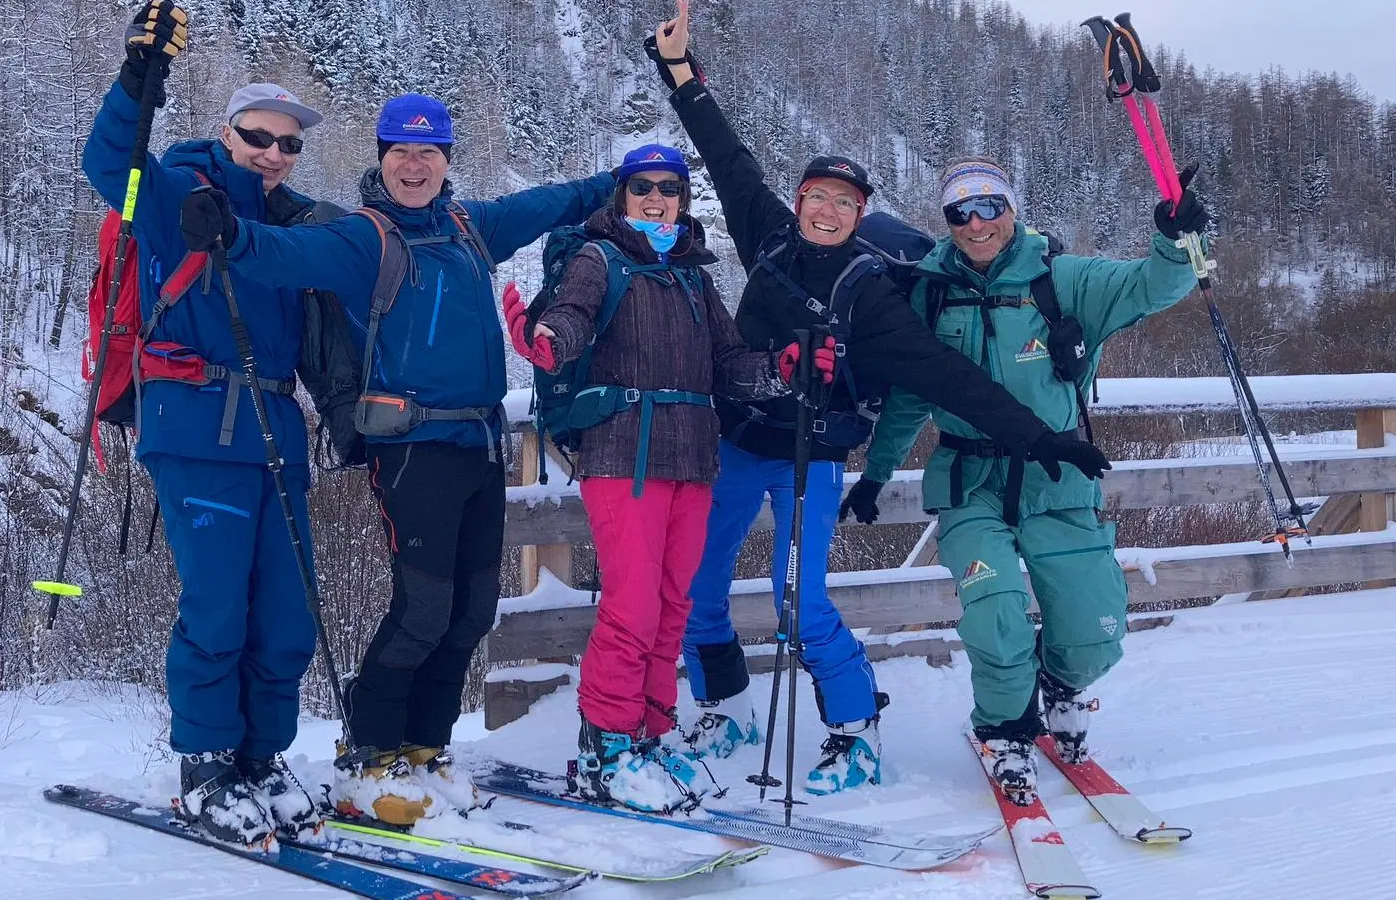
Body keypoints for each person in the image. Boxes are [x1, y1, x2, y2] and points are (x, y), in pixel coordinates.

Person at [646, 0, 1111, 796]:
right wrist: (679, 70)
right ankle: (724, 704)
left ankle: (853, 730)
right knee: (697, 587)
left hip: (814, 456)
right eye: (815, 196)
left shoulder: (872, 295)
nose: (824, 210)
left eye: (842, 202)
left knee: (800, 601)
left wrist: (1045, 439)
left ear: (860, 215)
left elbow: (951, 380)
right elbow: (723, 153)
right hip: (737, 444)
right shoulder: (768, 234)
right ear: (798, 202)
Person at [177, 92, 617, 825]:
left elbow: (548, 203)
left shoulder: (471, 226)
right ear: (381, 159)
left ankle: (422, 748)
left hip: (481, 445)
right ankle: (368, 752)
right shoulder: (364, 236)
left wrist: (613, 182)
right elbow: (289, 255)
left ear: (447, 161)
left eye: (429, 153)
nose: (415, 166)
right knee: (423, 610)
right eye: (401, 153)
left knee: (472, 611)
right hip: (412, 449)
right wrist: (232, 236)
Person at [840, 155, 1207, 805]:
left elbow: (1152, 286)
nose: (977, 223)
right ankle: (1005, 729)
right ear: (948, 221)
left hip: (1056, 478)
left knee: (1095, 626)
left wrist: (1175, 241)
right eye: (961, 211)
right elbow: (908, 394)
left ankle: (1062, 686)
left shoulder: (1060, 280)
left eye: (990, 207)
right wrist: (874, 473)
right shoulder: (929, 294)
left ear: (1013, 209)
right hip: (969, 478)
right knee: (997, 613)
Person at [502, 143, 833, 812]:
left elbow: (730, 366)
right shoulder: (599, 259)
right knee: (631, 607)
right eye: (642, 186)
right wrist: (546, 338)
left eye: (670, 188)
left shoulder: (691, 276)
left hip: (692, 461)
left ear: (683, 200)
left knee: (673, 606)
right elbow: (570, 315)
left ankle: (650, 730)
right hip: (623, 455)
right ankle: (609, 744)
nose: (657, 198)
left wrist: (783, 370)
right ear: (621, 197)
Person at [81, 0, 327, 844]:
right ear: (228, 135)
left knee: (288, 610)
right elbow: (109, 162)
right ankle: (206, 763)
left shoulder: (291, 222)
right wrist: (137, 77)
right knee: (219, 602)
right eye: (259, 137)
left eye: (289, 143)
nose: (273, 154)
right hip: (193, 422)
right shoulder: (179, 189)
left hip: (274, 431)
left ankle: (262, 757)